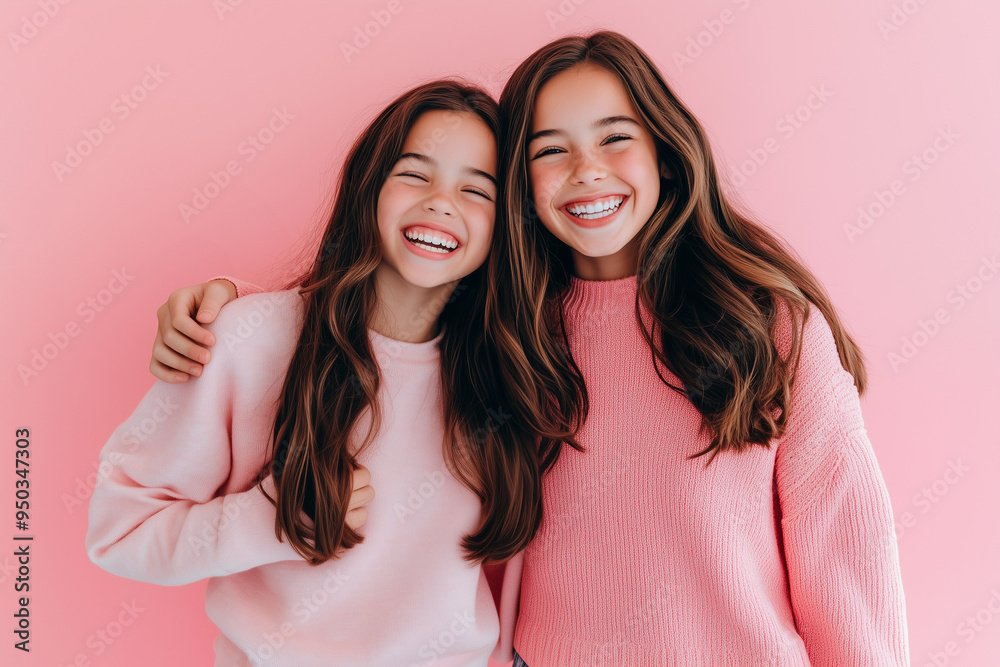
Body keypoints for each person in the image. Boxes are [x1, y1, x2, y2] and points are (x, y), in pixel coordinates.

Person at [148, 32, 910, 667]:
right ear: (519, 183)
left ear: (666, 152)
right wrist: (234, 305)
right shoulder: (503, 328)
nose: (587, 171)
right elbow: (377, 327)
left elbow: (846, 555)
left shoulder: (768, 325)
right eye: (551, 151)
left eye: (615, 138)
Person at [87, 79, 583, 667]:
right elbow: (121, 533)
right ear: (367, 188)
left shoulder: (512, 373)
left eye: (476, 190)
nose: (442, 202)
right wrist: (277, 518)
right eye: (415, 174)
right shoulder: (245, 341)